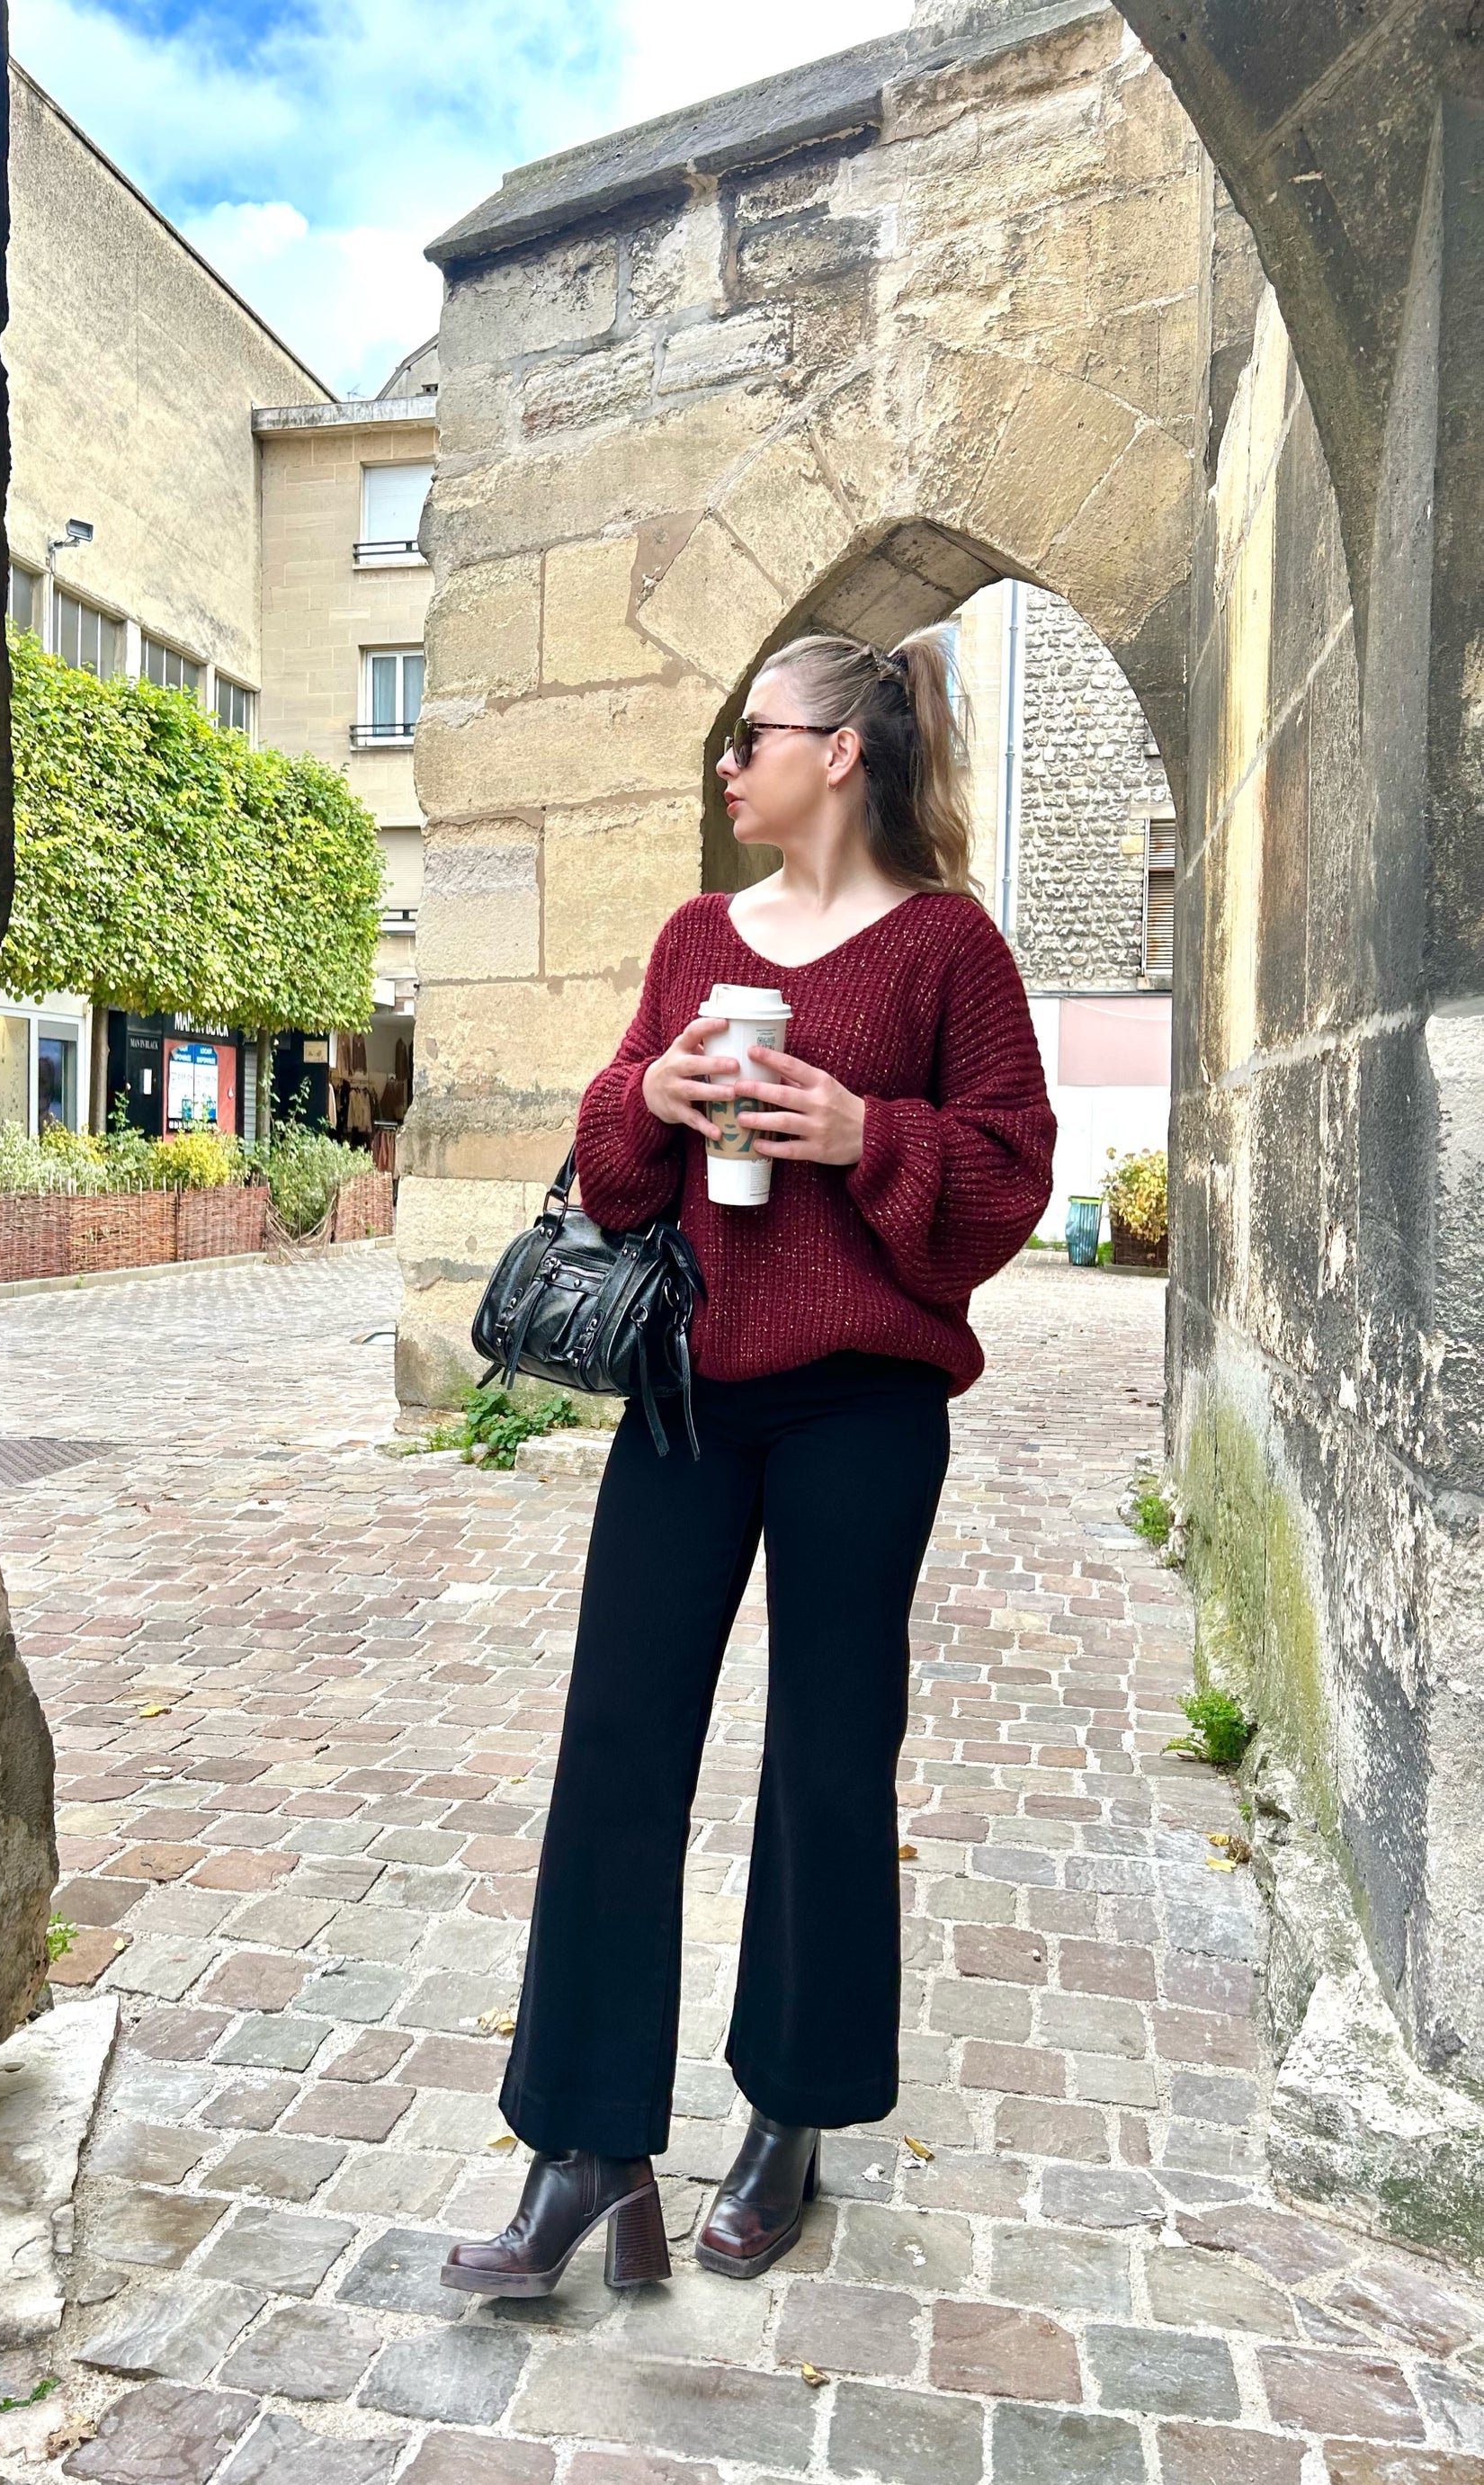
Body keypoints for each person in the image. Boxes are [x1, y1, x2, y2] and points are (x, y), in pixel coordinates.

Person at [442, 629, 1056, 2300]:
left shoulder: (947, 949)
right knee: (615, 1743)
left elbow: (1010, 1173)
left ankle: (791, 2112)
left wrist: (869, 1134)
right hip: (685, 1401)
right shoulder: (696, 939)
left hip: (865, 1407)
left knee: (829, 1756)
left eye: (751, 737)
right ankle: (582, 2151)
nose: (728, 763)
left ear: (839, 752)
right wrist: (651, 1087)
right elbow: (612, 1175)